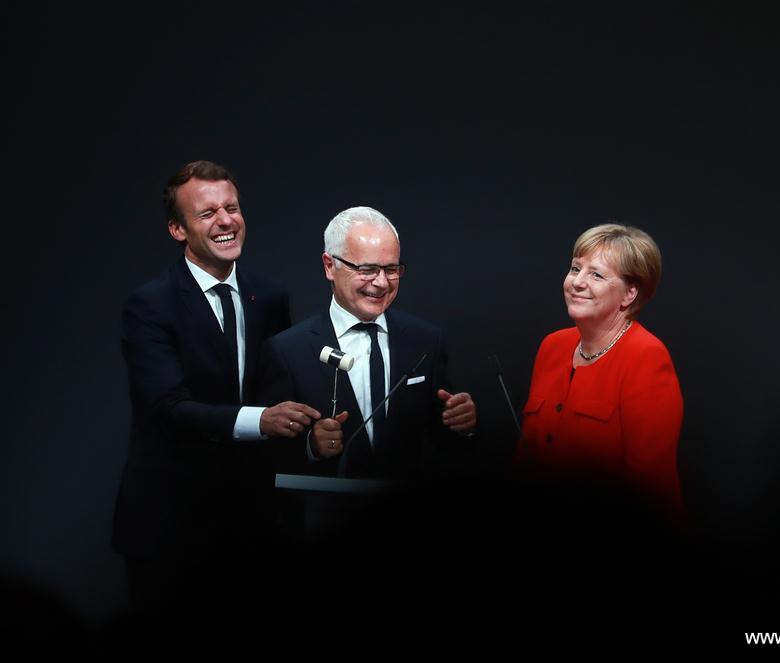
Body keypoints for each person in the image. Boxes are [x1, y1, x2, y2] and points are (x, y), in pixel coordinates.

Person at [112, 160, 320, 616]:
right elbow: (168, 408)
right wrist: (261, 420)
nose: (226, 220)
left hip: (255, 527)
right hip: (171, 528)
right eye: (208, 213)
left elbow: (280, 390)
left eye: (232, 207)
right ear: (177, 229)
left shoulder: (269, 296)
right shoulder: (150, 305)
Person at [258, 206, 476, 480]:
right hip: (324, 515)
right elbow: (265, 456)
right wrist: (311, 446)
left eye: (391, 269)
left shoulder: (425, 340)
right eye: (367, 269)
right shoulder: (287, 350)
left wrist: (462, 425)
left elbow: (448, 443)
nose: (382, 282)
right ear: (329, 266)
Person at [514, 223, 684, 515]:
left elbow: (648, 487)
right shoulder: (552, 347)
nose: (577, 282)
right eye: (575, 269)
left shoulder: (647, 357)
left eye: (596, 274)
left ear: (629, 294)